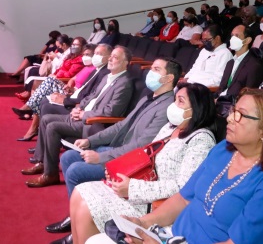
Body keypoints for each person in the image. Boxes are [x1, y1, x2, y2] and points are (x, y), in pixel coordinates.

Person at [87, 88, 263, 244]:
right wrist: (142, 224)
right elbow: (184, 198)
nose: (229, 118)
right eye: (232, 110)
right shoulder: (223, 150)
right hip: (174, 236)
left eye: (240, 115)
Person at [68, 83, 217, 241]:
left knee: (85, 207)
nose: (174, 105)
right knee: (79, 191)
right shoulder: (170, 128)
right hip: (139, 189)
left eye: (180, 101)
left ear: (197, 108)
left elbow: (184, 188)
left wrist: (132, 188)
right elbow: (146, 157)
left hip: (156, 206)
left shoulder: (201, 140)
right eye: (175, 100)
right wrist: (120, 171)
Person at [60, 58, 182, 197]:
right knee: (68, 157)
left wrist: (100, 157)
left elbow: (142, 145)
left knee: (75, 171)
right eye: (151, 68)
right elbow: (121, 126)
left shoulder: (166, 107)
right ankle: (79, 205)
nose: (150, 72)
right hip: (118, 150)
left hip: (131, 159)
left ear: (169, 78)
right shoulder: (147, 98)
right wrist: (90, 141)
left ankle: (81, 208)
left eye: (156, 69)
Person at [21, 46, 135, 188]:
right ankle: (42, 163)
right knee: (46, 119)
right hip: (82, 114)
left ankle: (50, 175)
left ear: (125, 63)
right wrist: (79, 107)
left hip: (93, 123)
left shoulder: (125, 83)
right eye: (111, 56)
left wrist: (84, 114)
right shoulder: (107, 77)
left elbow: (112, 111)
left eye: (115, 57)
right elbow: (92, 96)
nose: (110, 59)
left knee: (52, 126)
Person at [16, 36, 88, 141]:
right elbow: (63, 70)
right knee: (42, 89)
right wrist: (55, 74)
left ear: (82, 47)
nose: (74, 46)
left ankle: (28, 108)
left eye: (77, 45)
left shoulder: (80, 60)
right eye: (73, 44)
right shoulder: (71, 57)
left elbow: (69, 74)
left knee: (48, 83)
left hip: (67, 87)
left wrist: (57, 76)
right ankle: (30, 116)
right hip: (64, 83)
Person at [36, 44, 112, 117]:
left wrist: (65, 100)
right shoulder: (96, 69)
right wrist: (69, 93)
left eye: (98, 54)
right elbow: (81, 87)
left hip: (78, 105)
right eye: (95, 53)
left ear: (108, 57)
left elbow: (90, 95)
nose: (95, 56)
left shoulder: (104, 73)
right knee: (45, 100)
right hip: (74, 96)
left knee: (47, 106)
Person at [217, 25, 263, 97]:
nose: (233, 39)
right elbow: (222, 87)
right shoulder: (230, 63)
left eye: (237, 36)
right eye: (232, 35)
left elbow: (249, 94)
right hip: (221, 99)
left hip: (236, 102)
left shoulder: (254, 66)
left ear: (247, 40)